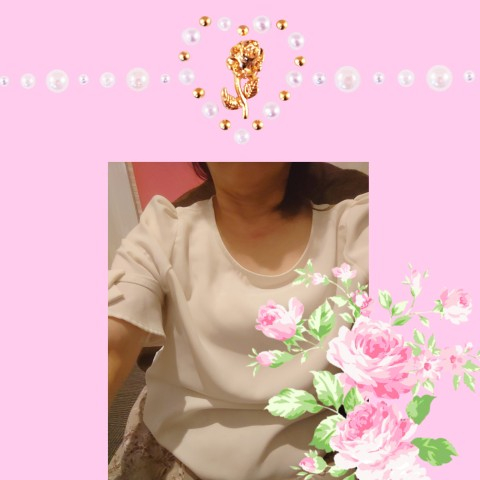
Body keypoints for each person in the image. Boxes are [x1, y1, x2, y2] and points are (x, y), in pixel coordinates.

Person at [108, 162, 369, 480]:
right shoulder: (164, 231)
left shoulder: (356, 227)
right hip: (171, 450)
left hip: (318, 459)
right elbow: (111, 342)